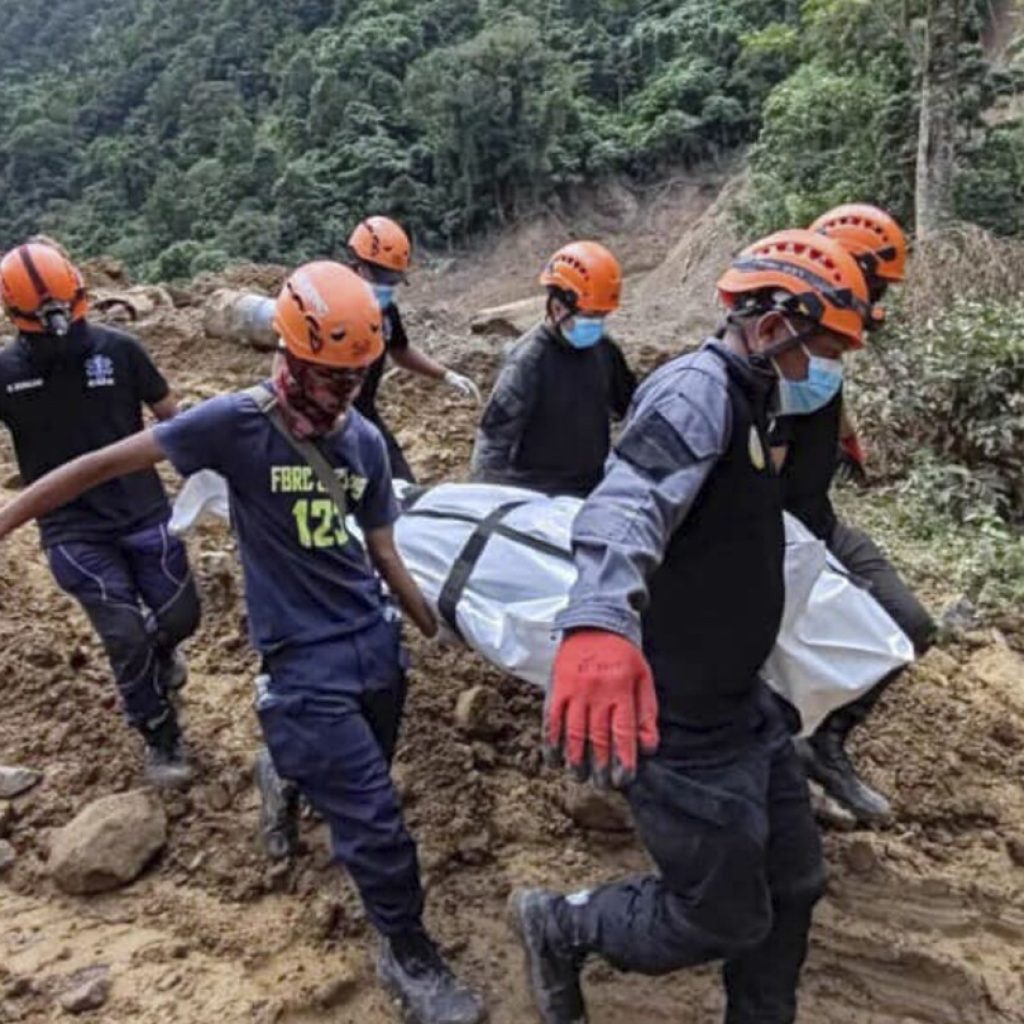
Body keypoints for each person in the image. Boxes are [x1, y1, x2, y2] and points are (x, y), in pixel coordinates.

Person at [0, 261, 485, 1024]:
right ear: (290, 355)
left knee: (363, 768)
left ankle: (282, 770)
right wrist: (6, 521)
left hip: (372, 644)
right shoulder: (233, 424)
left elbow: (384, 552)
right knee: (376, 822)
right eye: (329, 376)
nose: (343, 393)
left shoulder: (361, 441)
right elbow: (97, 464)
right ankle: (407, 950)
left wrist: (435, 628)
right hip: (301, 662)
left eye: (356, 378)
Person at [507, 229, 875, 1024]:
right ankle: (562, 923)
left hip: (744, 704)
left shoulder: (754, 400)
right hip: (679, 719)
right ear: (775, 325)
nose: (822, 371)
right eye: (819, 347)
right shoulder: (695, 393)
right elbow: (627, 500)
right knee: (723, 914)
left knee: (795, 885)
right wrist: (599, 621)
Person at [0, 240, 199, 787]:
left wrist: (210, 466)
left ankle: (158, 658)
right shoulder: (5, 373)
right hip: (73, 529)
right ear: (17, 318)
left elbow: (171, 418)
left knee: (181, 616)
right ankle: (159, 732)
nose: (60, 327)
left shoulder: (122, 351)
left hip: (143, 510)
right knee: (123, 633)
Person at [770, 203, 935, 823]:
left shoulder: (827, 347)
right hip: (777, 538)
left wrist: (848, 440)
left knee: (908, 624)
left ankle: (824, 744)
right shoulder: (778, 349)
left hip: (819, 519)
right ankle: (777, 775)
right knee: (770, 663)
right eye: (879, 284)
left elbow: (831, 388)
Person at [470, 241, 637, 497]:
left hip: (590, 488)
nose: (597, 324)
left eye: (602, 316)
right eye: (590, 316)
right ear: (557, 307)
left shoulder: (604, 351)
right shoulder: (528, 362)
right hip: (536, 495)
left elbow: (632, 406)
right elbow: (492, 442)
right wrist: (484, 503)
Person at [347, 216, 481, 482]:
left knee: (399, 483)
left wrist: (445, 375)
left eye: (392, 279)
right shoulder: (330, 305)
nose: (386, 286)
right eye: (381, 276)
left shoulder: (385, 312)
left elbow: (400, 351)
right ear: (358, 265)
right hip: (326, 417)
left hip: (363, 413)